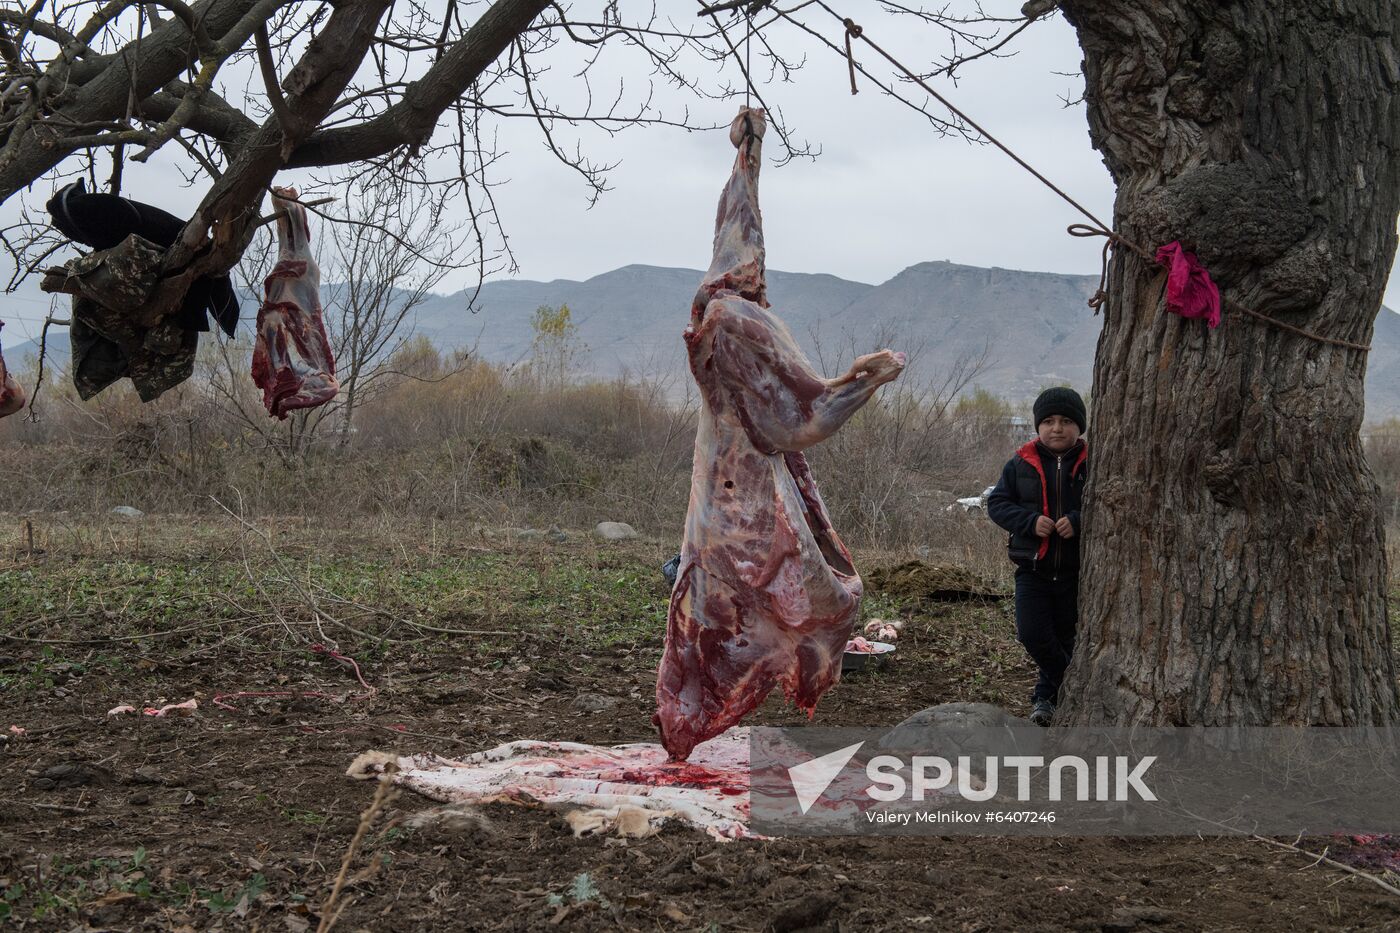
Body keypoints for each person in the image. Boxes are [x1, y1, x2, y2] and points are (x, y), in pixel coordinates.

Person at [987, 387, 1088, 727]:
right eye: (1048, 421)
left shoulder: (1093, 463)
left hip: (1078, 573)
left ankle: (1045, 699)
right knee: (1032, 634)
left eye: (1066, 421)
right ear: (1037, 426)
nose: (1056, 428)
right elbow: (998, 504)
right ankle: (1072, 685)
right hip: (1034, 570)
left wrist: (1078, 521)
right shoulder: (1020, 463)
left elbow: (1107, 502)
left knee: (1066, 635)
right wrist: (1029, 522)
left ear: (1080, 426)